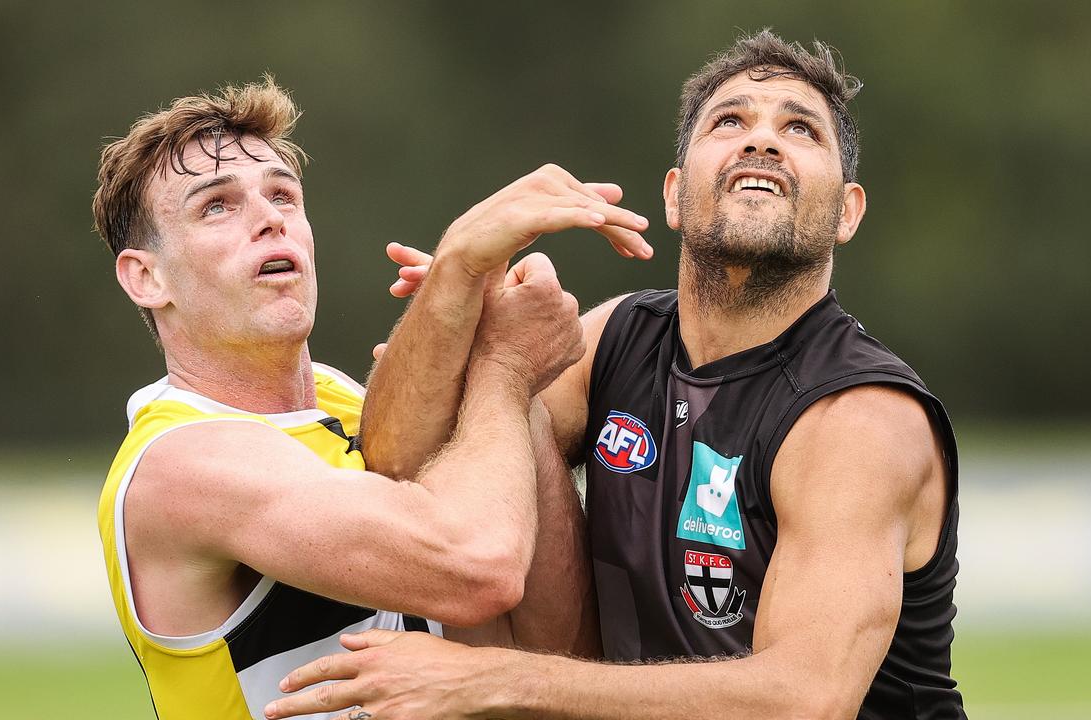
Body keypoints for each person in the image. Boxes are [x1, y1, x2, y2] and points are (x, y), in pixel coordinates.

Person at [267, 30, 965, 720]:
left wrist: (487, 680)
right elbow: (398, 458)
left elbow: (803, 701)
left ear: (846, 212)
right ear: (673, 195)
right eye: (730, 121)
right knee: (494, 397)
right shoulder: (620, 338)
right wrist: (460, 276)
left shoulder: (861, 417)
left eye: (800, 128)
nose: (761, 140)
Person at [92, 78, 651, 718]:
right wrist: (499, 361)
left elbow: (550, 655)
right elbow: (479, 568)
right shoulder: (180, 464)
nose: (269, 217)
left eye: (282, 195)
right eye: (216, 206)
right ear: (146, 276)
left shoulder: (347, 400)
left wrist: (480, 344)